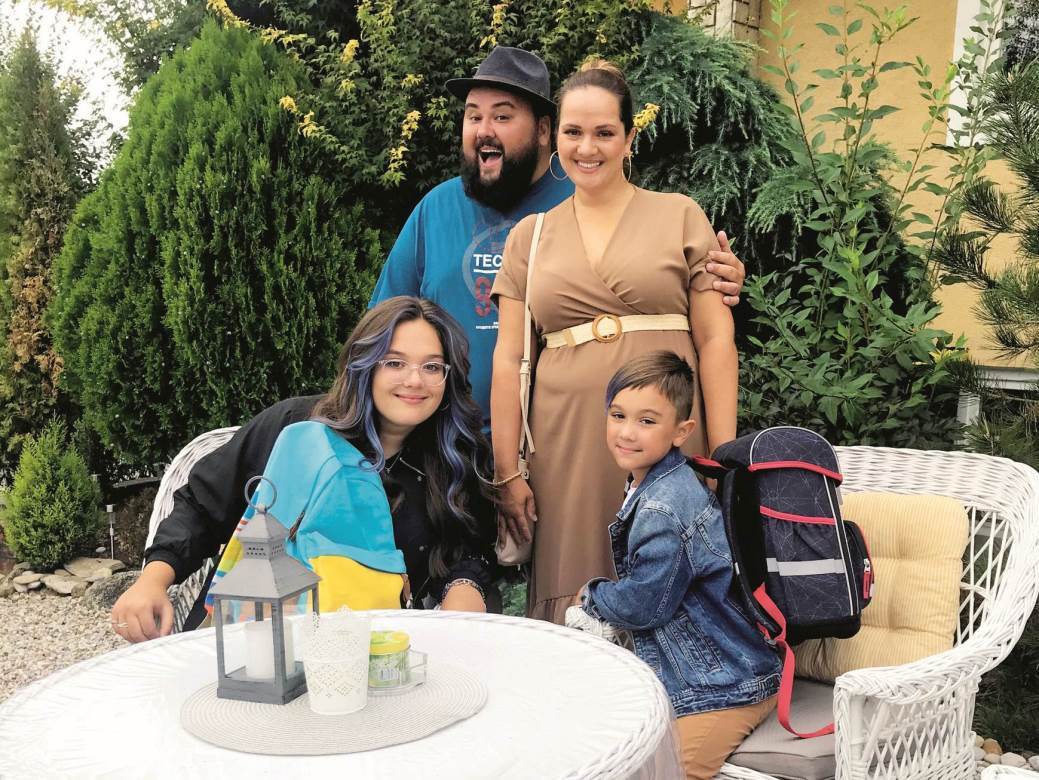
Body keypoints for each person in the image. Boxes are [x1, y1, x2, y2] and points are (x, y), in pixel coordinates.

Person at [371, 46, 747, 425]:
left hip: (556, 434)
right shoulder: (435, 208)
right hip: (445, 441)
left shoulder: (587, 194)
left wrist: (711, 278)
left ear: (543, 131)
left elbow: (656, 280)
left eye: (502, 116)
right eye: (473, 116)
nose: (484, 129)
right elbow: (382, 328)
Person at [491, 60, 738, 624]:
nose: (588, 148)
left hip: (669, 432)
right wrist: (508, 471)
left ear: (629, 138)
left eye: (604, 132)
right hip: (565, 440)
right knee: (574, 590)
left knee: (670, 573)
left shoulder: (680, 215)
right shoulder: (530, 237)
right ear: (554, 138)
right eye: (574, 132)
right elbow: (509, 360)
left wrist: (722, 459)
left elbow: (716, 341)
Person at [112, 297, 497, 643]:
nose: (414, 380)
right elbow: (202, 503)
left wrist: (464, 587)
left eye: (431, 366)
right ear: (364, 365)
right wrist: (152, 581)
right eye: (394, 362)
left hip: (371, 650)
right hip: (253, 641)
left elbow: (470, 547)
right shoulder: (295, 429)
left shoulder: (453, 455)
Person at [569, 352, 780, 779]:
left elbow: (644, 604)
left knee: (669, 772)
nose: (627, 432)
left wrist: (594, 594)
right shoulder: (655, 483)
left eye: (647, 421)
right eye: (618, 415)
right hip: (703, 671)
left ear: (681, 431)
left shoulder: (663, 507)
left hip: (727, 685)